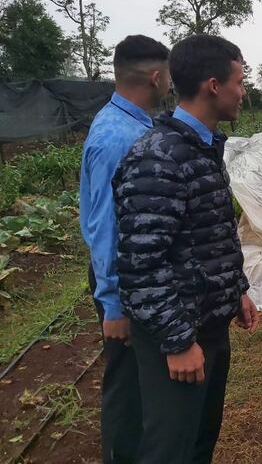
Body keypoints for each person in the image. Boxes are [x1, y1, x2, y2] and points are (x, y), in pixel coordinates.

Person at [112, 34, 260, 464]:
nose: (243, 91)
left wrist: (237, 289)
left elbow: (212, 234)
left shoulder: (201, 148)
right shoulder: (159, 157)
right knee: (169, 448)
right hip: (176, 335)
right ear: (214, 85)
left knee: (198, 440)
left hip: (207, 326)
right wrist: (177, 342)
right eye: (239, 80)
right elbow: (140, 263)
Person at [79, 35, 171, 463]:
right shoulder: (117, 137)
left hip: (133, 276)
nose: (170, 84)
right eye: (168, 76)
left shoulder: (135, 126)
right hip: (121, 279)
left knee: (139, 382)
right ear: (155, 77)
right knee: (125, 384)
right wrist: (113, 304)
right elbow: (103, 225)